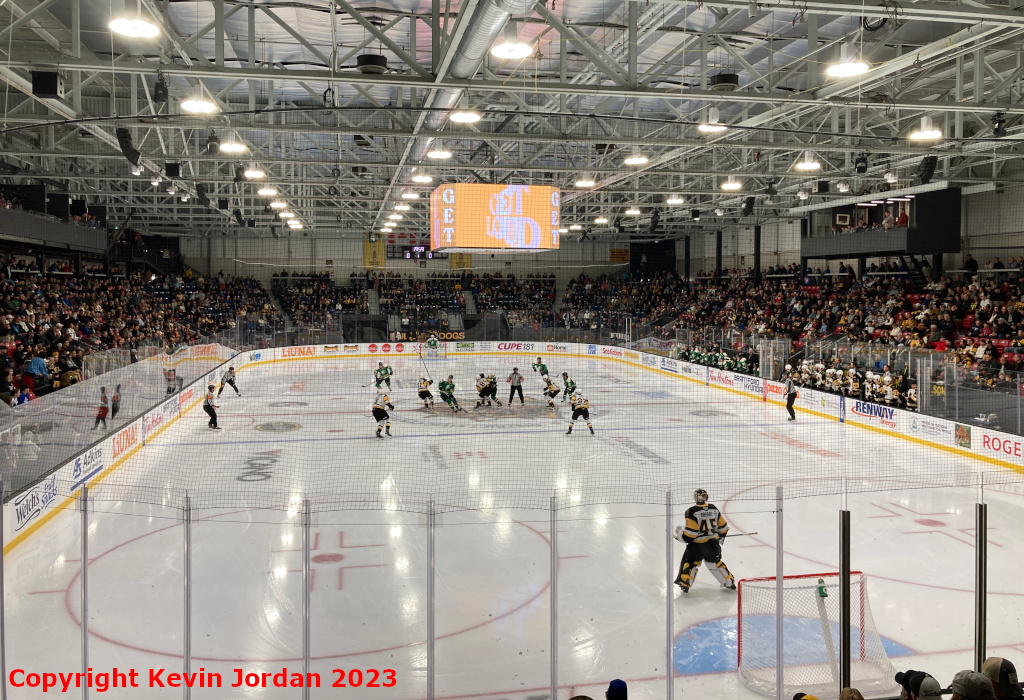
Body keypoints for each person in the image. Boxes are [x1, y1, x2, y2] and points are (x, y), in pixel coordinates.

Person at [673, 488, 736, 594]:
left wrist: (680, 535)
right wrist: (715, 537)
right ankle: (729, 583)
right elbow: (723, 529)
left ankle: (685, 584)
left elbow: (690, 535)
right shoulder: (713, 508)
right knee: (714, 563)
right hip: (713, 545)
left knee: (691, 563)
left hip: (697, 546)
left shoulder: (692, 511)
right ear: (706, 496)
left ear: (695, 497)